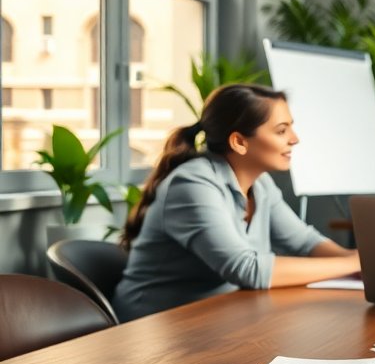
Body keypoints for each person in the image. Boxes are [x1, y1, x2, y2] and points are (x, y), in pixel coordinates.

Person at [114, 84, 360, 321]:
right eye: (281, 130)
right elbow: (246, 269)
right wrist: (352, 263)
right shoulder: (191, 184)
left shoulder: (260, 186)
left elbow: (304, 242)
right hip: (153, 328)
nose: (294, 139)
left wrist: (359, 262)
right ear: (239, 142)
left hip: (219, 318)